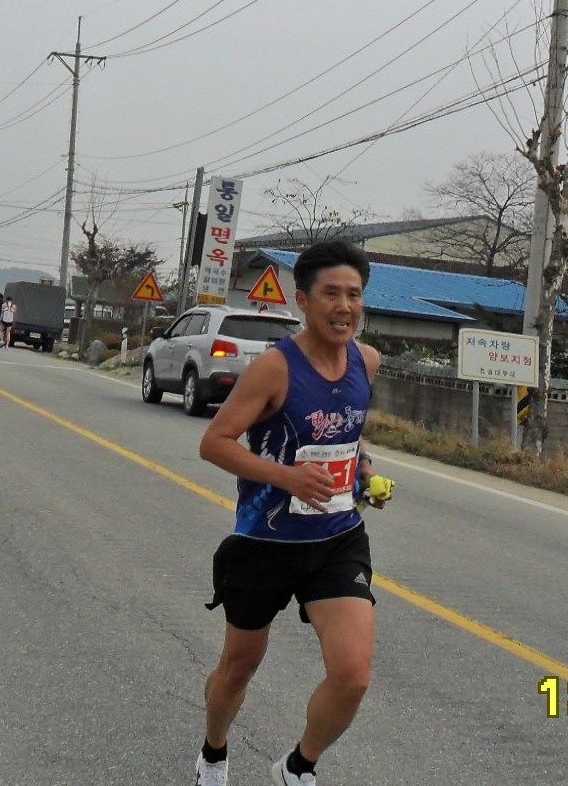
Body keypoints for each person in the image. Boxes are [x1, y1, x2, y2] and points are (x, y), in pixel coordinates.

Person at [194, 240, 384, 786]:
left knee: (353, 675)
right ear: (303, 300)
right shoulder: (274, 369)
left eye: (354, 295)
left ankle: (298, 767)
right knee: (239, 667)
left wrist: (365, 472)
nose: (344, 307)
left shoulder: (366, 362)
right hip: (266, 541)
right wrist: (287, 477)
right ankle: (213, 751)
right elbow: (214, 443)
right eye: (332, 294)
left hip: (337, 537)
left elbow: (348, 432)